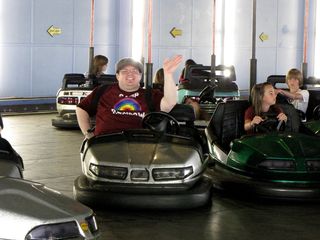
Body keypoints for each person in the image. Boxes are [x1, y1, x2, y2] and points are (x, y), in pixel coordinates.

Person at [76, 55, 182, 138]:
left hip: (141, 145)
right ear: (117, 76)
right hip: (104, 144)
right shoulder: (103, 91)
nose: (130, 74)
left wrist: (168, 74)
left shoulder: (150, 95)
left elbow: (169, 103)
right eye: (124, 71)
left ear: (140, 76)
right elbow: (81, 108)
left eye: (135, 71)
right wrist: (87, 133)